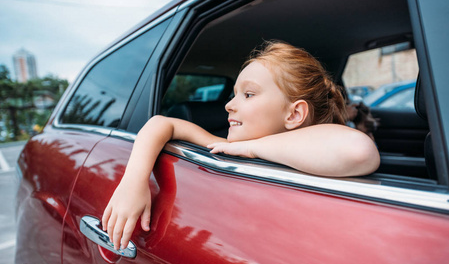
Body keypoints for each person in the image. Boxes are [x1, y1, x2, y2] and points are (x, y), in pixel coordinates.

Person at [102, 41, 380, 251]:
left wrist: (255, 148)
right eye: (235, 94)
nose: (229, 104)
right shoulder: (225, 145)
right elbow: (162, 124)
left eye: (247, 94)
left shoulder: (250, 147)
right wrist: (133, 182)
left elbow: (359, 151)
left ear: (294, 115)